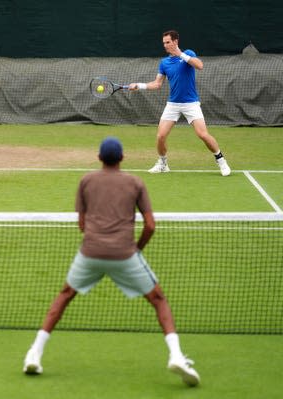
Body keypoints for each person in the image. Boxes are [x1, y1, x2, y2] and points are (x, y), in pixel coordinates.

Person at [22, 137, 200, 387]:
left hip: (90, 253)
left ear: (99, 158)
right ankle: (177, 356)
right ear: (122, 159)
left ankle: (34, 353)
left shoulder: (86, 181)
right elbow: (150, 225)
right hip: (125, 255)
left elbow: (82, 224)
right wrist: (135, 250)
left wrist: (98, 240)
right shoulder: (136, 182)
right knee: (158, 300)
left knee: (65, 295)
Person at [129, 30, 231, 176]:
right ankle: (163, 163)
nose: (165, 45)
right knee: (160, 136)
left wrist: (180, 54)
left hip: (191, 103)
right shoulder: (164, 63)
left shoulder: (188, 53)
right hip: (173, 104)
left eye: (168, 42)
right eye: (164, 43)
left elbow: (200, 65)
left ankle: (221, 161)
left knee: (202, 134)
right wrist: (139, 85)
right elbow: (157, 84)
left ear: (176, 41)